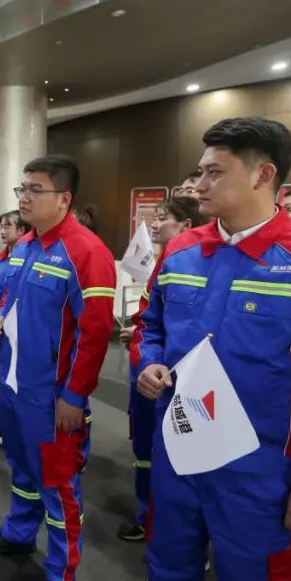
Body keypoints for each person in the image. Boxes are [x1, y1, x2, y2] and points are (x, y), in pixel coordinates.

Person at [132, 118, 291, 581]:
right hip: (178, 453)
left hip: (261, 476)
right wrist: (149, 362)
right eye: (200, 171)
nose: (198, 185)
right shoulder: (181, 251)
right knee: (165, 580)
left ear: (264, 175)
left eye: (214, 173)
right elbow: (148, 326)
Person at [0, 155, 117, 581]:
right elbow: (13, 299)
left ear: (64, 198)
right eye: (23, 189)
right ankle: (18, 534)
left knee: (58, 486)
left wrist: (73, 397)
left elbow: (95, 334)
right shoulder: (25, 246)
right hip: (15, 386)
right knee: (20, 469)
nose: (24, 198)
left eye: (35, 190)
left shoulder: (86, 252)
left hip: (51, 397)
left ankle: (61, 573)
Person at [116, 195, 208, 543]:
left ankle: (179, 533)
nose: (154, 224)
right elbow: (151, 319)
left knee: (183, 459)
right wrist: (142, 343)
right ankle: (149, 515)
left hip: (185, 384)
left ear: (186, 225)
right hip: (149, 372)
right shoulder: (169, 261)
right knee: (146, 448)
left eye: (163, 218)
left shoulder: (206, 263)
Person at [0, 210, 29, 445]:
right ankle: (0, 423)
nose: (2, 231)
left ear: (21, 230)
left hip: (15, 330)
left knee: (14, 379)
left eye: (7, 226)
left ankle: (13, 428)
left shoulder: (26, 258)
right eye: (0, 226)